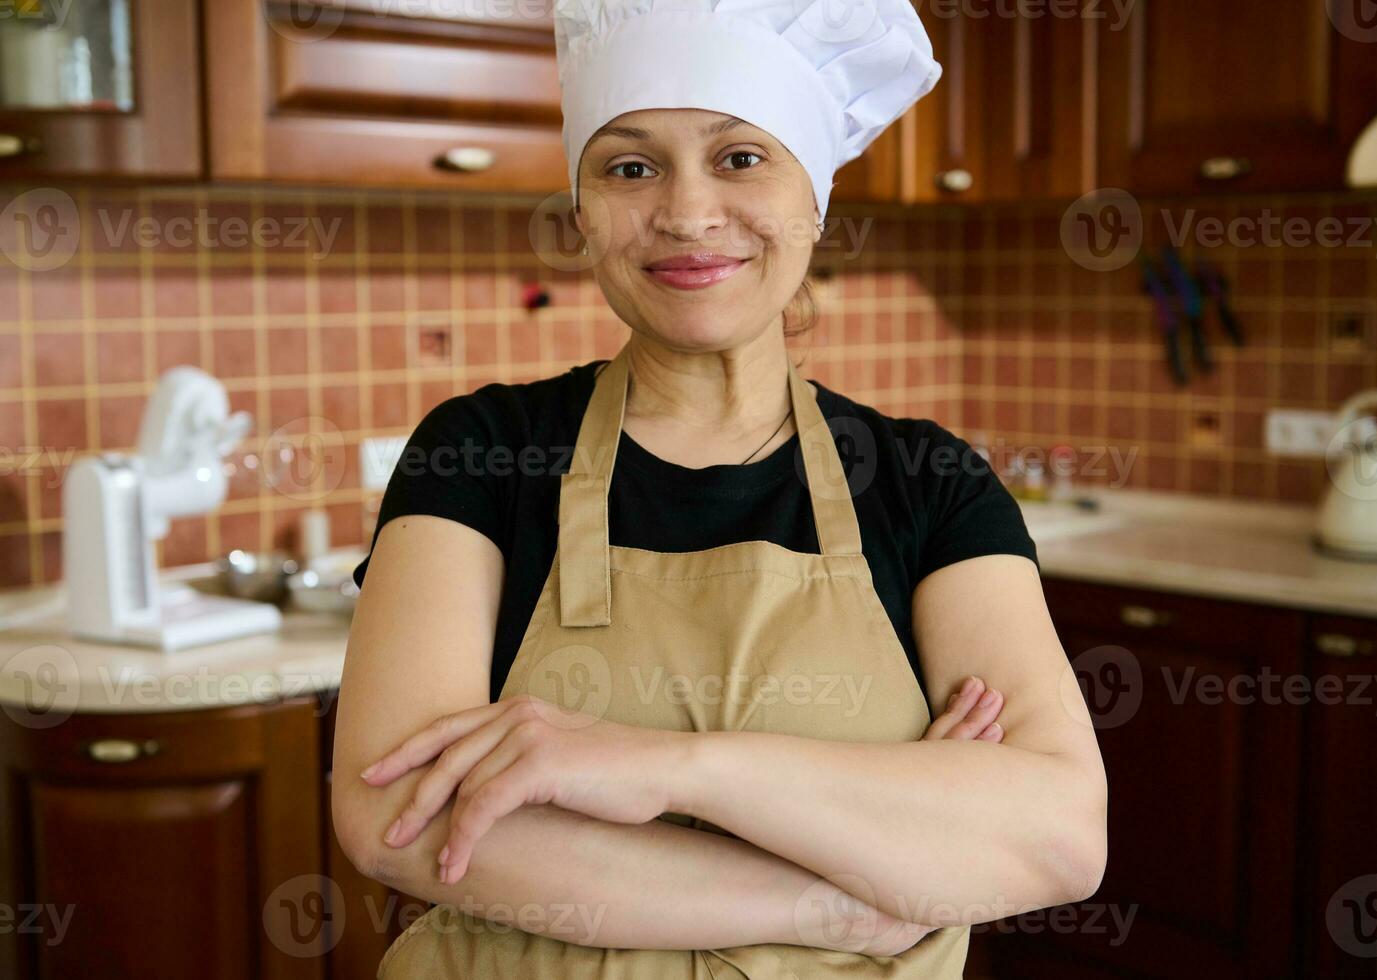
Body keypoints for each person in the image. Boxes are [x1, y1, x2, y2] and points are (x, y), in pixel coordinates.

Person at [332, 1, 1109, 977]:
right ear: (581, 211)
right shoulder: (481, 454)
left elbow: (1057, 836)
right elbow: (396, 816)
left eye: (741, 158)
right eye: (629, 166)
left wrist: (651, 767)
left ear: (814, 199)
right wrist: (836, 895)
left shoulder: (928, 481)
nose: (688, 214)